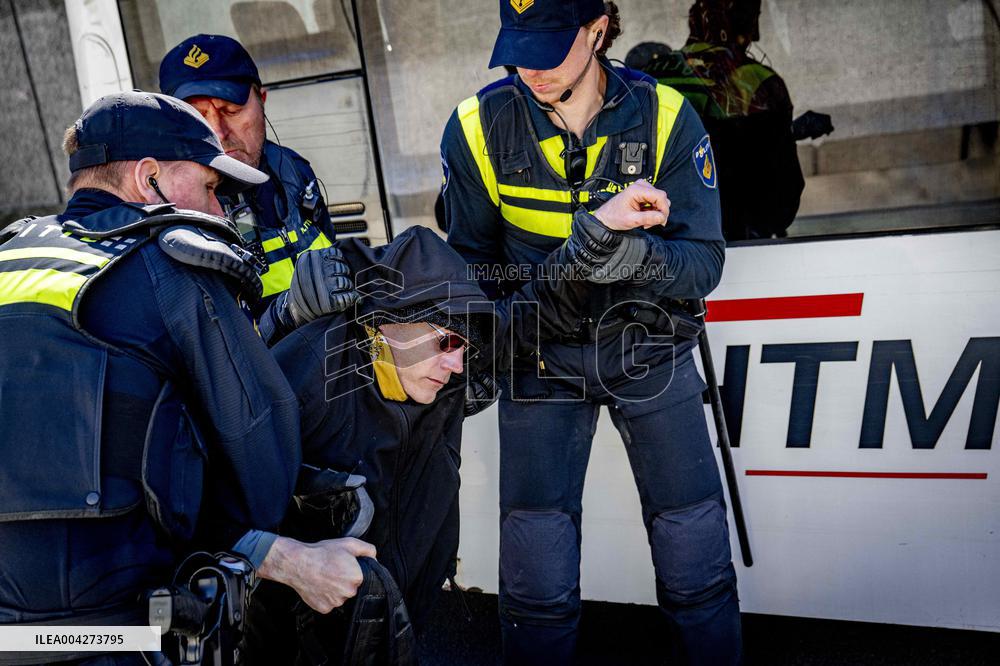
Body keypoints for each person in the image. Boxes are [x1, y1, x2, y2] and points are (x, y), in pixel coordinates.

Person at [0, 91, 373, 665]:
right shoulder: (173, 267)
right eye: (209, 189)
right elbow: (261, 467)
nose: (220, 213)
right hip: (127, 632)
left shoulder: (10, 258)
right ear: (149, 180)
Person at [440, 0, 742, 664]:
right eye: (517, 46)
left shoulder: (666, 115)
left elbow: (706, 262)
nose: (530, 67)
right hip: (539, 352)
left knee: (696, 555)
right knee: (534, 571)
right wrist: (489, 328)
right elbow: (475, 270)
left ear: (598, 29)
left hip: (649, 346)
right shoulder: (472, 128)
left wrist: (628, 257)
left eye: (549, 46)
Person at [159, 33, 339, 313]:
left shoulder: (294, 170)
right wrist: (283, 317)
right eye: (197, 117)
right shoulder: (171, 208)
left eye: (231, 110)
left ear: (262, 99)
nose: (218, 132)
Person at [629, 0, 807, 241]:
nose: (756, 33)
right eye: (752, 18)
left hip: (666, 245)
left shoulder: (653, 79)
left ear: (695, 23)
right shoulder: (761, 84)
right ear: (732, 22)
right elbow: (780, 200)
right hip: (747, 244)